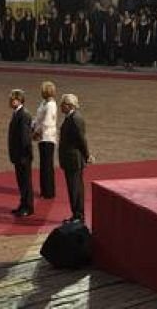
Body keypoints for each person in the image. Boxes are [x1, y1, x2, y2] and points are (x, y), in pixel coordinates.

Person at [58, 93, 93, 223]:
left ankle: (79, 216)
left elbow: (81, 139)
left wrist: (87, 155)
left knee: (75, 189)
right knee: (73, 189)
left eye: (62, 104)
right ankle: (76, 214)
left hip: (74, 160)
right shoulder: (70, 117)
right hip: (70, 160)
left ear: (69, 105)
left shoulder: (75, 119)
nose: (60, 106)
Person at [7, 88, 34, 217]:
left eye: (12, 99)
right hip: (19, 155)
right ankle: (23, 204)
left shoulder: (24, 115)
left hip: (23, 155)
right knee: (21, 181)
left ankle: (28, 207)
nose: (10, 102)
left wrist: (25, 155)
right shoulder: (17, 113)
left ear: (19, 100)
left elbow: (25, 138)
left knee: (26, 182)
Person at [32, 81, 57, 199]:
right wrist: (32, 125)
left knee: (47, 165)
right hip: (43, 137)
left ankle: (48, 192)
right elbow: (38, 118)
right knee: (44, 164)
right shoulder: (44, 103)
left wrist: (36, 132)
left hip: (47, 137)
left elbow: (46, 122)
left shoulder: (51, 105)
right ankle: (44, 190)